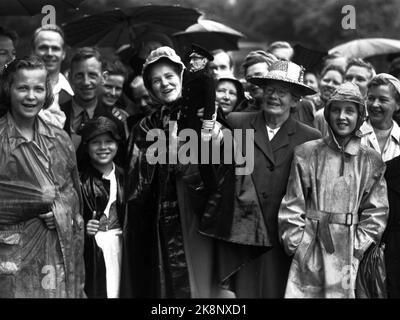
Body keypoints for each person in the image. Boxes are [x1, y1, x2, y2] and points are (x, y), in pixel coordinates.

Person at [121, 46, 269, 298]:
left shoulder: (204, 111)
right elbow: (138, 186)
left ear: (181, 76)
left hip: (200, 216)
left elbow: (236, 159)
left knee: (202, 285)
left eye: (169, 76)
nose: (164, 84)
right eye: (156, 80)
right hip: (160, 221)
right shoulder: (145, 126)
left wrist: (218, 138)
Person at [278, 82, 388, 298]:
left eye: (349, 111)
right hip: (311, 247)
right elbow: (293, 202)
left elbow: (377, 211)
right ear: (327, 114)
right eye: (336, 109)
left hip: (349, 253)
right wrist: (297, 243)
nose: (342, 117)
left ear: (360, 116)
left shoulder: (371, 160)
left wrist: (357, 247)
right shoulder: (307, 153)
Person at [227, 60, 321, 298]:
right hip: (240, 240)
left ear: (296, 99)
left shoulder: (309, 138)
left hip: (282, 242)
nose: (274, 97)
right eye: (270, 90)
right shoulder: (236, 123)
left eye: (283, 92)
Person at [0, 55, 85, 298]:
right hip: (10, 255)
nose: (31, 96)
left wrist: (59, 209)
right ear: (9, 89)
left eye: (38, 89)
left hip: (55, 253)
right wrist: (39, 199)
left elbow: (72, 192)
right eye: (23, 88)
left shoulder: (59, 139)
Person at [359, 74, 400, 297]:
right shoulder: (351, 136)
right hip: (358, 233)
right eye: (371, 98)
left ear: (397, 104)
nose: (374, 104)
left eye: (383, 100)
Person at [79, 116, 126, 298]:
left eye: (109, 141)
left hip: (122, 246)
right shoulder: (79, 181)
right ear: (87, 146)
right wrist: (83, 227)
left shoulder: (126, 177)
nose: (103, 147)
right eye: (96, 142)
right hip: (94, 250)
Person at [60, 47, 127, 168]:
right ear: (70, 78)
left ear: (104, 78)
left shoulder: (115, 123)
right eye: (79, 75)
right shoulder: (56, 115)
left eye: (92, 75)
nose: (86, 82)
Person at [32, 24, 74, 128]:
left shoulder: (74, 92)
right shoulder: (17, 90)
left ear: (63, 53)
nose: (50, 53)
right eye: (43, 47)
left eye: (55, 48)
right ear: (33, 52)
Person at [314, 65, 345, 135]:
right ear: (319, 81)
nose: (330, 85)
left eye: (336, 83)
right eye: (326, 80)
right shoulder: (308, 105)